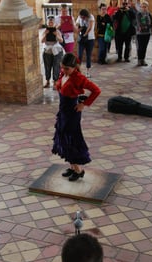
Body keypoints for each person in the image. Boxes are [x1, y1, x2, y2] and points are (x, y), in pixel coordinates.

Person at [52, 53, 101, 182]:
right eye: (62, 67)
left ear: (74, 67)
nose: (64, 70)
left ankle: (79, 170)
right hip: (63, 111)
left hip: (72, 113)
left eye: (67, 68)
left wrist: (83, 104)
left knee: (71, 140)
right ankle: (73, 167)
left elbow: (96, 90)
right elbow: (61, 86)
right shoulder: (64, 74)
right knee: (64, 138)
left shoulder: (79, 78)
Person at [42, 16, 64, 89]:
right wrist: (45, 34)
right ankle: (47, 81)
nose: (50, 24)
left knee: (56, 66)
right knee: (47, 66)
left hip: (57, 51)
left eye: (52, 22)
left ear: (54, 23)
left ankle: (55, 82)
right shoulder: (45, 31)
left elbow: (61, 40)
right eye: (49, 22)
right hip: (47, 51)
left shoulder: (57, 31)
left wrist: (56, 35)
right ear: (47, 23)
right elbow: (42, 41)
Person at [76, 9, 95, 76]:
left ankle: (88, 71)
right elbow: (77, 25)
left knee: (88, 55)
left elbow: (90, 27)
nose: (82, 18)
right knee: (79, 55)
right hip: (82, 39)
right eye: (81, 17)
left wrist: (85, 34)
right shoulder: (79, 17)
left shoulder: (91, 17)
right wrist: (79, 28)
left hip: (90, 39)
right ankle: (78, 70)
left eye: (83, 17)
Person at [135, 1, 152, 66]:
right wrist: (146, 26)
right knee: (140, 47)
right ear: (140, 7)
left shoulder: (149, 14)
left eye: (145, 7)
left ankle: (143, 59)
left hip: (147, 33)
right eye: (142, 7)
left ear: (147, 7)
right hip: (140, 33)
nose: (144, 8)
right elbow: (139, 24)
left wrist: (146, 26)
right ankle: (139, 60)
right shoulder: (138, 14)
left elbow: (151, 24)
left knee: (145, 47)